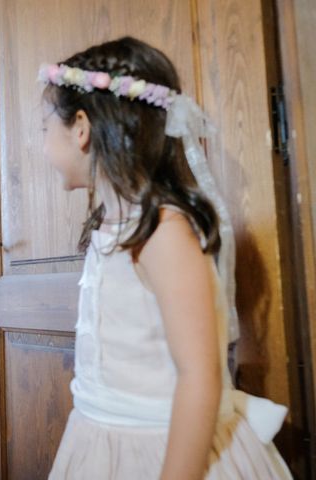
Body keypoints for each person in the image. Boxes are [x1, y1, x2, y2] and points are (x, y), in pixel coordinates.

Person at [39, 37, 291, 479]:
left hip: (160, 449)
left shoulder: (163, 232)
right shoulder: (109, 227)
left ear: (81, 128)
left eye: (45, 128)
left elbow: (200, 376)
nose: (42, 143)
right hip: (102, 438)